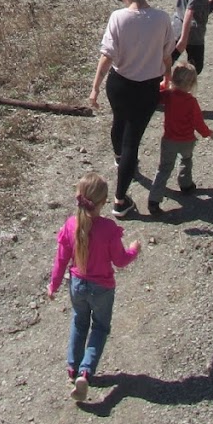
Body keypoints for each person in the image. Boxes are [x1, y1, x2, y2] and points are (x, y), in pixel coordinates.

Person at [89, 0, 175, 218]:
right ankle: (119, 201)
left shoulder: (117, 18)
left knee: (119, 124)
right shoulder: (162, 19)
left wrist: (95, 88)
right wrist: (167, 79)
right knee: (132, 141)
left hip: (118, 85)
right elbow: (166, 55)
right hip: (147, 88)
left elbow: (107, 56)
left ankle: (120, 161)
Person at [47, 171, 140, 401]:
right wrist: (134, 250)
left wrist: (53, 285)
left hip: (77, 284)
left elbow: (61, 259)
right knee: (99, 328)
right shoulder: (108, 229)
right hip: (102, 289)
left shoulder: (71, 225)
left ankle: (72, 366)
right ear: (102, 202)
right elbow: (119, 261)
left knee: (79, 322)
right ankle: (86, 371)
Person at [148, 62, 213, 215]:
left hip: (169, 140)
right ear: (191, 84)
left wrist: (163, 85)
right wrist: (207, 133)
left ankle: (154, 200)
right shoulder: (192, 102)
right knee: (186, 160)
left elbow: (156, 96)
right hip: (187, 141)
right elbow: (198, 123)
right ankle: (185, 185)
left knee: (164, 169)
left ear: (173, 79)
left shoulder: (168, 96)